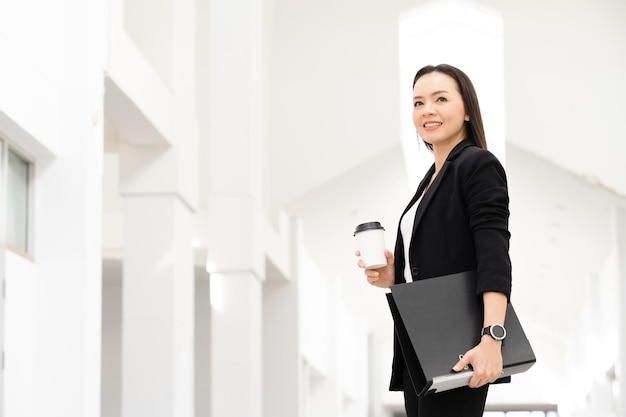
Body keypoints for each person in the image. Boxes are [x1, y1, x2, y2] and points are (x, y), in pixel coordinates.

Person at [356, 64, 512, 416]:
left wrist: (492, 337)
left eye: (440, 99)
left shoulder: (477, 165)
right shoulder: (429, 181)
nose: (427, 110)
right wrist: (396, 276)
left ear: (467, 109)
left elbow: (493, 257)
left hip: (459, 345)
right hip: (420, 344)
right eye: (418, 102)